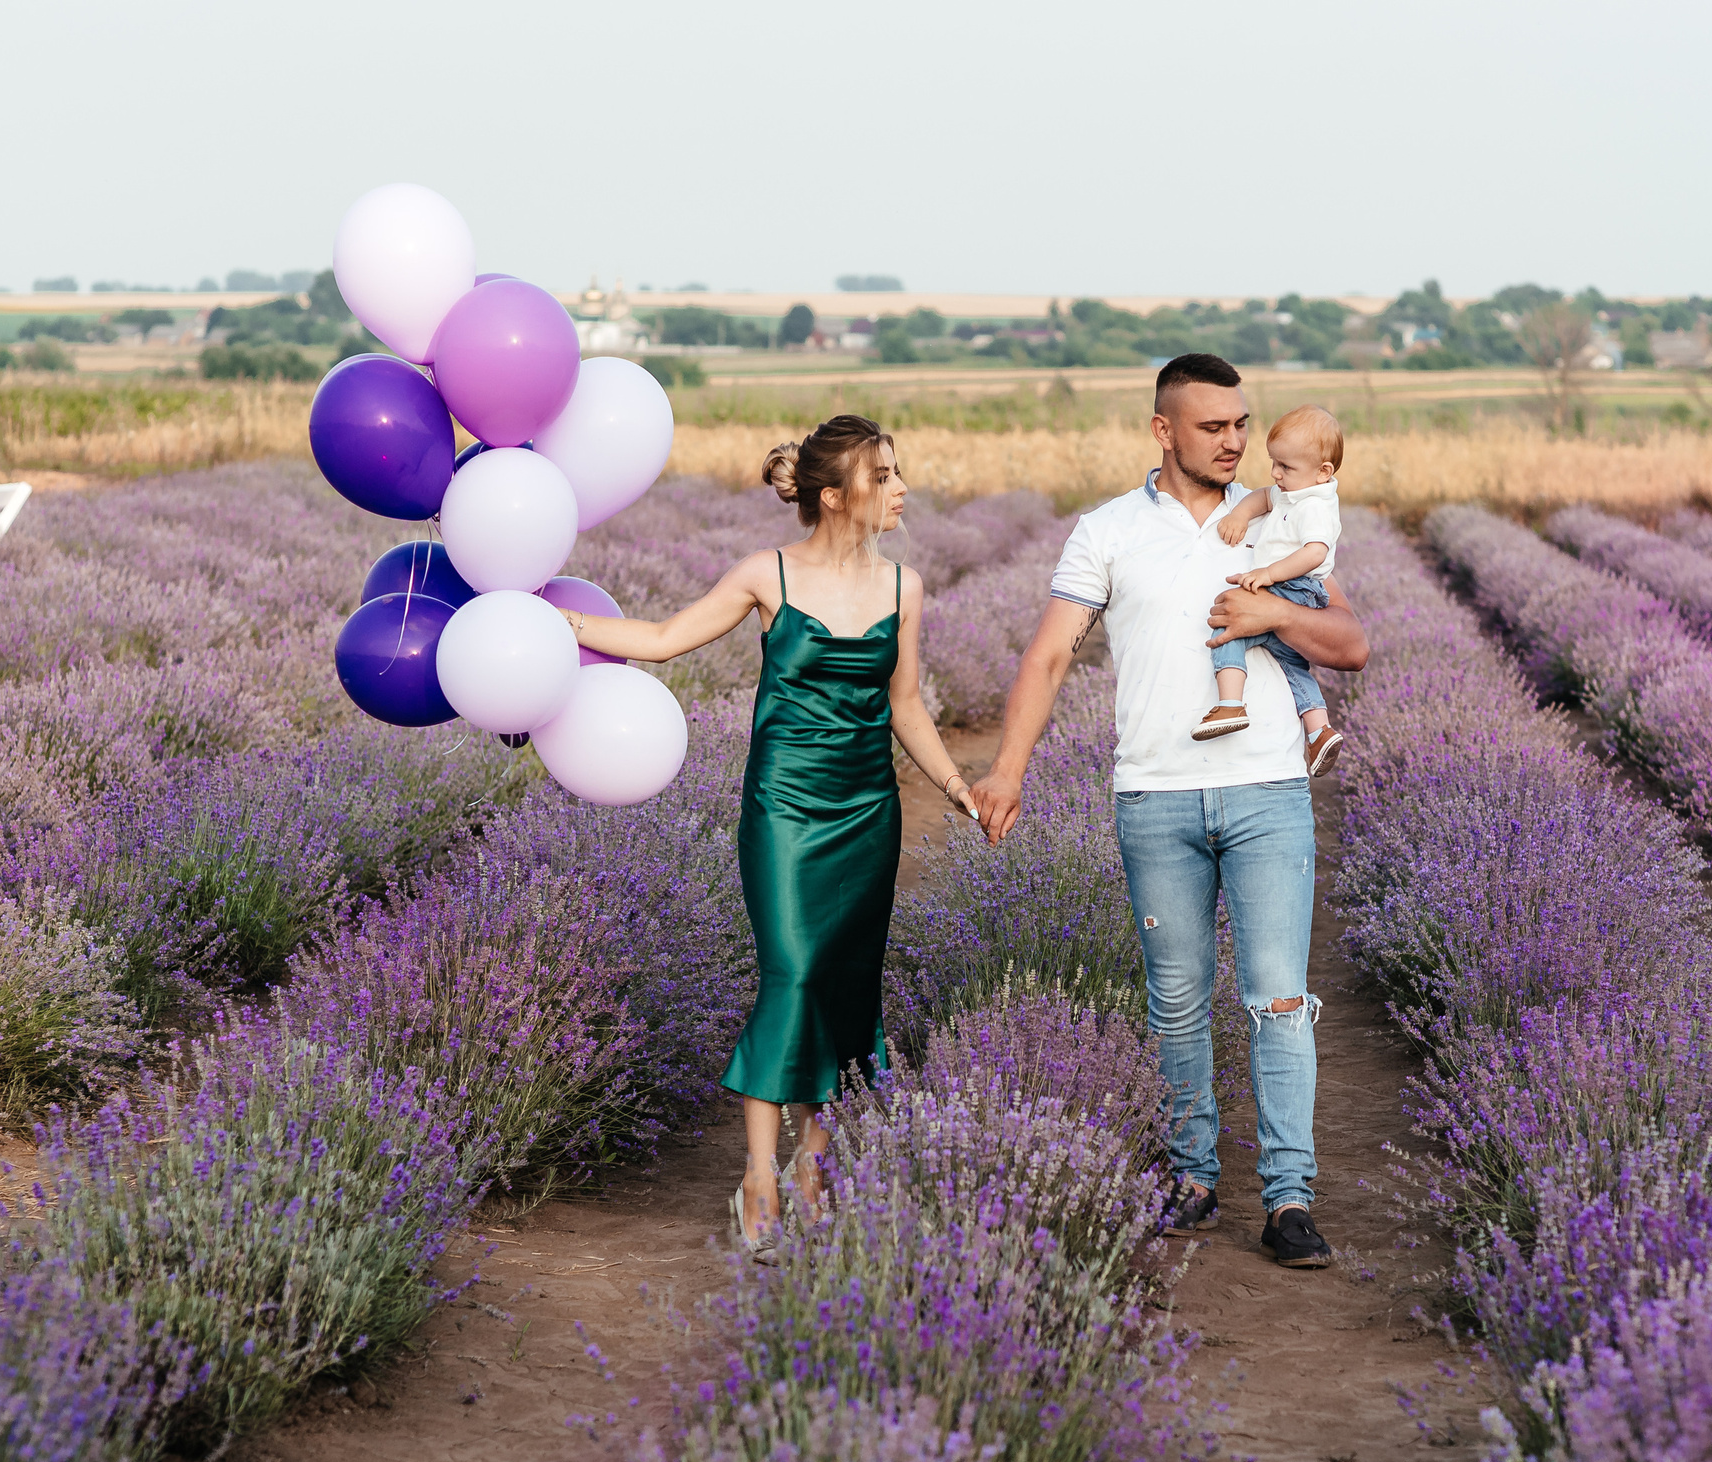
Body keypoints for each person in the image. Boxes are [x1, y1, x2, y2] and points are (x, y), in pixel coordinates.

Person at [972, 354, 1369, 1269]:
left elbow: (1350, 643)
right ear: (1164, 430)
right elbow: (1046, 659)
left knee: (1278, 1000)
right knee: (1178, 1001)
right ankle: (1191, 1177)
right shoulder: (1108, 531)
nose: (1234, 441)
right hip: (1153, 795)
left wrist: (1272, 615)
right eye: (1213, 427)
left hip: (1269, 790)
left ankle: (1289, 1197)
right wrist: (1008, 770)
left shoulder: (1275, 519)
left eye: (1240, 424)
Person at [551, 415, 974, 1260]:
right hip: (783, 806)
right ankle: (758, 1174)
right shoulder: (765, 574)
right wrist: (559, 624)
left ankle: (815, 1168)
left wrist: (958, 786)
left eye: (897, 472)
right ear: (833, 495)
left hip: (866, 812)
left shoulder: (906, 587)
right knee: (795, 974)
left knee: (848, 989)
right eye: (883, 475)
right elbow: (666, 641)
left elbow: (906, 705)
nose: (901, 489)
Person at [1195, 404, 1346, 778]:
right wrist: (1240, 516)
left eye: (1286, 467)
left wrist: (1268, 573)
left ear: (1323, 472)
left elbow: (1315, 553)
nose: (1275, 474)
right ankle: (1319, 730)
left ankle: (1230, 703)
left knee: (1230, 626)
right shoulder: (1294, 491)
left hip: (1294, 586)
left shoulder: (1315, 505)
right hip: (1290, 586)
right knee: (1292, 663)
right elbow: (1264, 497)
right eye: (1274, 463)